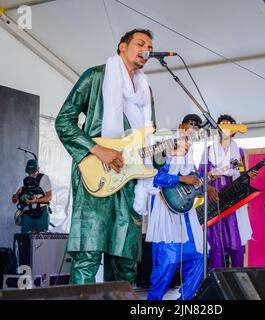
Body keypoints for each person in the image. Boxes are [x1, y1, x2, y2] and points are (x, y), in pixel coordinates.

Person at [55, 29, 157, 284]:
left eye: (149, 47)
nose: (146, 50)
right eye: (140, 44)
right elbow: (64, 121)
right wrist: (98, 149)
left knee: (125, 262)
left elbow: (148, 140)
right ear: (123, 46)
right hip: (95, 176)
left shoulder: (146, 92)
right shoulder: (96, 76)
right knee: (87, 257)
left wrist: (169, 153)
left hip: (129, 181)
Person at [143, 114, 216, 300]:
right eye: (188, 129)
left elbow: (191, 184)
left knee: (200, 254)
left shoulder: (191, 155)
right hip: (164, 209)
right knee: (166, 262)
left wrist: (204, 185)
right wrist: (182, 179)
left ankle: (185, 300)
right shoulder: (165, 147)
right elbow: (152, 175)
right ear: (180, 127)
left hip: (185, 213)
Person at [199, 114, 257, 269]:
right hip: (214, 201)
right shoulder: (208, 150)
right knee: (216, 244)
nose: (225, 127)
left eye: (228, 124)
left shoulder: (239, 152)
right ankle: (216, 281)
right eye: (222, 124)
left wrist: (248, 177)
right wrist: (209, 187)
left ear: (234, 129)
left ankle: (238, 280)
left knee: (236, 242)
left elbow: (242, 177)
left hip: (233, 202)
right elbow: (200, 176)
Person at [12, 159, 52, 233]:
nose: (31, 174)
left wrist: (36, 200)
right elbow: (14, 201)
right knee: (24, 239)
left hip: (42, 212)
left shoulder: (44, 178)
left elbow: (49, 197)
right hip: (27, 214)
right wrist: (17, 194)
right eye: (29, 171)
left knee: (41, 240)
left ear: (37, 169)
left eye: (33, 171)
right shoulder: (24, 181)